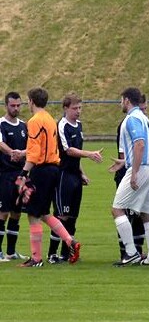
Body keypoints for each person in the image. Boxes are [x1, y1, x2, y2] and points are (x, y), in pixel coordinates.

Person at [18, 87, 81, 267]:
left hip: (42, 170)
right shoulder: (50, 119)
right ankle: (70, 241)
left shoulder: (34, 121)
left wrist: (23, 173)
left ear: (31, 101)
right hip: (54, 168)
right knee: (44, 213)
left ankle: (36, 258)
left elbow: (35, 152)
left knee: (33, 214)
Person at [48, 93, 103, 264]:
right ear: (65, 108)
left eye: (80, 108)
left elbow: (76, 155)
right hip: (63, 175)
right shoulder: (62, 125)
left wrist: (81, 173)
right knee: (61, 216)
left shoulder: (79, 125)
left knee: (72, 217)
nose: (78, 111)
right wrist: (89, 154)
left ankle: (67, 253)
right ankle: (52, 254)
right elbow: (68, 150)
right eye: (74, 108)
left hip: (74, 177)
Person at [110, 87, 149, 267]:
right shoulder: (144, 118)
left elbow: (139, 144)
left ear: (126, 100)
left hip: (142, 169)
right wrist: (124, 162)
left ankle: (131, 252)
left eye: (121, 100)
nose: (120, 104)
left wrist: (134, 172)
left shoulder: (132, 119)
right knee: (147, 214)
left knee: (117, 209)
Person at [0, 92, 28, 262]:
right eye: (13, 105)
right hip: (4, 175)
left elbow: (30, 146)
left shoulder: (24, 126)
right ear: (6, 106)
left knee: (16, 213)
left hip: (20, 175)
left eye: (18, 105)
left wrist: (22, 154)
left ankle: (11, 251)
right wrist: (12, 152)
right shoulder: (1, 124)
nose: (16, 108)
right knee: (2, 212)